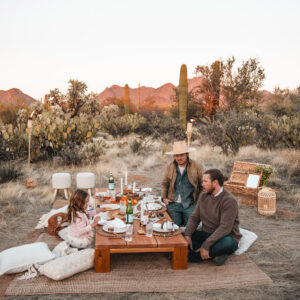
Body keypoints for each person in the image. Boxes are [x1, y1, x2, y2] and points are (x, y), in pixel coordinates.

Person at [185, 169, 242, 266]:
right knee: (182, 236)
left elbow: (225, 228)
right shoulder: (203, 197)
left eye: (205, 181)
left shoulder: (229, 200)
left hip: (225, 237)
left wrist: (206, 245)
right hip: (207, 234)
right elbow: (195, 217)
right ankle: (216, 254)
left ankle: (193, 255)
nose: (202, 184)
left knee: (227, 243)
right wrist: (187, 235)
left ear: (215, 182)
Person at [161, 140, 203, 227]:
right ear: (174, 156)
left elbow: (202, 186)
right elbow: (165, 183)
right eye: (177, 155)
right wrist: (164, 197)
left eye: (181, 155)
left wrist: (199, 201)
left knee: (190, 230)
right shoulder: (170, 166)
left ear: (187, 154)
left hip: (190, 204)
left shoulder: (196, 166)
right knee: (173, 230)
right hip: (173, 204)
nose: (179, 158)